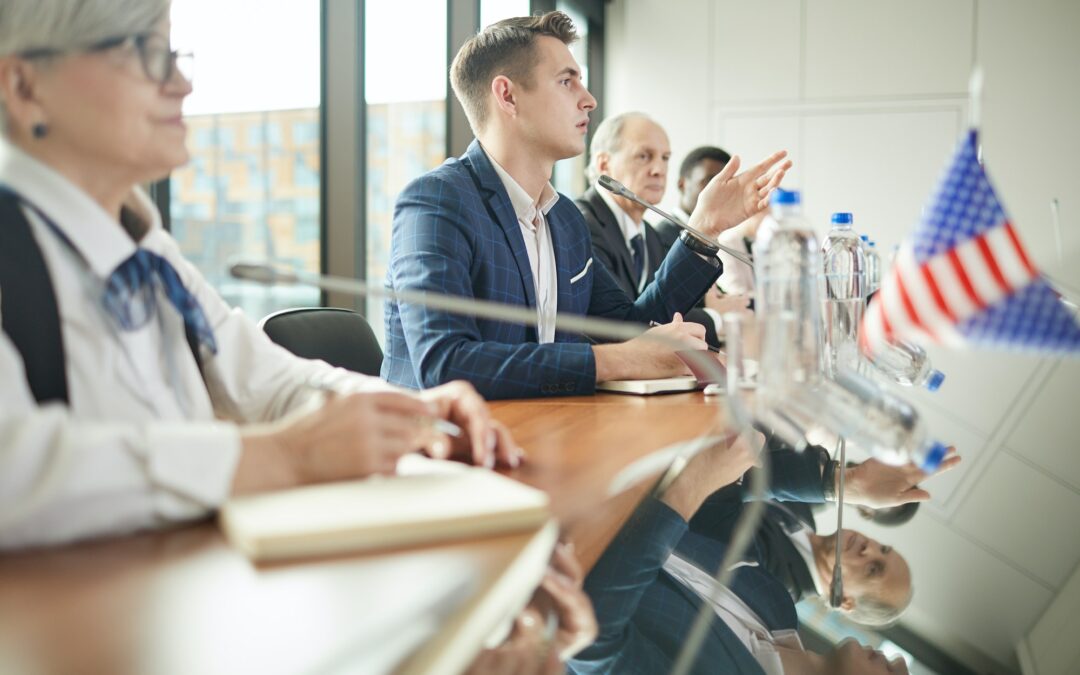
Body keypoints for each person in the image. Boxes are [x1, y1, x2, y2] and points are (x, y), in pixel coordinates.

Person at [0, 0, 518, 551]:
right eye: (146, 53)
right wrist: (284, 455)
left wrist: (404, 415)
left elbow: (266, 381)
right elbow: (17, 470)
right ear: (25, 86)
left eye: (175, 55)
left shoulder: (149, 249)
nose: (181, 85)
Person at [381, 11, 790, 399]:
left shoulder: (564, 220)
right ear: (507, 96)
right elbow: (445, 364)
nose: (589, 99)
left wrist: (704, 228)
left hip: (541, 438)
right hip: (444, 453)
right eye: (567, 81)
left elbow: (628, 328)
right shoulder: (436, 202)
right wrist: (615, 361)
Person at [569, 431, 919, 675]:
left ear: (844, 601)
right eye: (882, 550)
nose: (901, 665)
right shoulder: (777, 608)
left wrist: (690, 488)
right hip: (588, 483)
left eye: (873, 569)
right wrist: (843, 482)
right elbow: (714, 506)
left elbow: (589, 643)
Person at [576, 112, 723, 346]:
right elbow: (627, 324)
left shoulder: (649, 235)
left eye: (665, 158)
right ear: (604, 164)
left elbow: (660, 313)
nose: (659, 169)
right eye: (644, 156)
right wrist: (717, 316)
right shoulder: (580, 224)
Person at [657, 145, 759, 300]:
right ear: (682, 185)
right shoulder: (660, 237)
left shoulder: (729, 238)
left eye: (725, 184)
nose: (718, 192)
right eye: (709, 181)